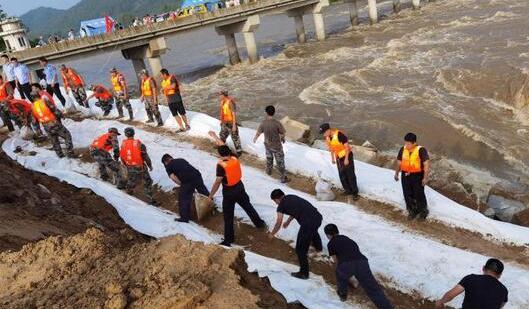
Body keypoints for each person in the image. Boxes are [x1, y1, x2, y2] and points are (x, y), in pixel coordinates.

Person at [208, 145, 266, 246]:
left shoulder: (221, 165)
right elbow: (226, 148)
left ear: (220, 155)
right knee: (248, 206)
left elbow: (218, 182)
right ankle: (260, 224)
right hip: (239, 187)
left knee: (228, 216)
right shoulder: (234, 157)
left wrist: (210, 195)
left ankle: (228, 240)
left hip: (229, 192)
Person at [324, 223, 393, 308]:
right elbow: (355, 252)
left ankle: (343, 294)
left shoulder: (331, 243)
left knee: (340, 274)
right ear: (337, 231)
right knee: (373, 289)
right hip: (362, 262)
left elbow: (336, 261)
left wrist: (344, 273)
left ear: (328, 235)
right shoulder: (349, 240)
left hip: (346, 264)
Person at [269, 190, 323, 279]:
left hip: (308, 224)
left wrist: (272, 234)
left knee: (300, 250)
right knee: (313, 230)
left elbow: (278, 222)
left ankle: (304, 273)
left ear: (277, 199)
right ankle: (318, 247)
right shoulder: (291, 197)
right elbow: (295, 210)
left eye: (274, 201)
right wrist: (288, 221)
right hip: (317, 217)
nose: (275, 203)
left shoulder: (281, 206)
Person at [436, 258, 508, 309]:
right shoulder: (504, 290)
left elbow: (450, 295)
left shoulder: (471, 279)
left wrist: (440, 302)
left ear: (483, 268)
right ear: (500, 275)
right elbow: (499, 306)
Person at [162, 154, 210, 222]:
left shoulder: (168, 166)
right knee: (202, 190)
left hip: (187, 180)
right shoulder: (181, 159)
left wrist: (182, 184)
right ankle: (211, 203)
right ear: (171, 158)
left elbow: (173, 177)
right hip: (197, 175)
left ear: (165, 162)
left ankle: (184, 218)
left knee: (184, 198)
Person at [394, 132, 430, 220]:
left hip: (417, 175)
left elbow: (426, 164)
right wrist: (396, 173)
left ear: (414, 143)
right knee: (407, 193)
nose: (406, 145)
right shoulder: (403, 149)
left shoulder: (421, 150)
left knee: (418, 193)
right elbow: (399, 162)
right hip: (405, 174)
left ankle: (423, 211)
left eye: (408, 143)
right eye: (405, 142)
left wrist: (425, 177)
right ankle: (412, 211)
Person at [30, 86, 74, 158]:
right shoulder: (44, 101)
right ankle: (70, 153)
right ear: (38, 95)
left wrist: (38, 130)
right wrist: (61, 115)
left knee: (54, 140)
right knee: (67, 136)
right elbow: (55, 110)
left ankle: (60, 155)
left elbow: (34, 121)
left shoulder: (32, 107)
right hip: (54, 123)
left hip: (46, 126)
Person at [320, 123, 359, 200]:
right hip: (338, 157)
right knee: (342, 174)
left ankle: (355, 192)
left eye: (324, 133)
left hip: (347, 156)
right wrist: (332, 158)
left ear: (328, 130)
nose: (324, 135)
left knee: (350, 174)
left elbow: (347, 147)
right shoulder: (328, 138)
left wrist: (346, 159)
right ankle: (348, 190)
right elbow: (331, 149)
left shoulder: (339, 135)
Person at [120, 127, 157, 204]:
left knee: (133, 179)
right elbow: (145, 156)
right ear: (134, 133)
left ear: (125, 134)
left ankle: (129, 189)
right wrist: (149, 165)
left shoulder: (123, 144)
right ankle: (151, 200)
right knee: (147, 181)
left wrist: (125, 164)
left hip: (129, 166)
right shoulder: (139, 144)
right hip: (140, 167)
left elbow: (122, 155)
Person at [253, 105, 289, 183]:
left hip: (267, 145)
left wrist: (255, 138)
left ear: (266, 113)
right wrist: (282, 139)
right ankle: (283, 178)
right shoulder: (277, 123)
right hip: (276, 146)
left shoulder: (263, 123)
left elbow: (258, 132)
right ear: (274, 112)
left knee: (269, 159)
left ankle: (268, 172)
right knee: (280, 162)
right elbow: (283, 133)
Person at [218, 90, 242, 156]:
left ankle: (239, 151)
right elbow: (223, 112)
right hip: (224, 122)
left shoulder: (230, 102)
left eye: (220, 95)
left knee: (235, 137)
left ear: (223, 95)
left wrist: (234, 125)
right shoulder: (222, 102)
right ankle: (221, 147)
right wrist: (221, 121)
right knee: (222, 135)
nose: (219, 96)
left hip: (231, 123)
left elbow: (234, 114)